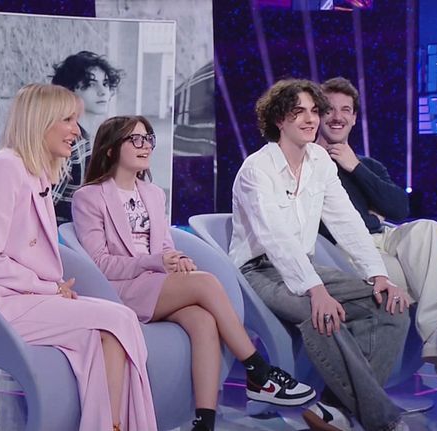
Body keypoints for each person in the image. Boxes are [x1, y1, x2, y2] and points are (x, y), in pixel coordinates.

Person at [71, 115, 315, 431]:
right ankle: (258, 370)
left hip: (155, 283)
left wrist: (177, 259)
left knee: (203, 321)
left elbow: (164, 246)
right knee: (206, 283)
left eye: (148, 139)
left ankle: (204, 423)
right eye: (135, 139)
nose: (145, 146)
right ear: (110, 149)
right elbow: (101, 264)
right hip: (120, 289)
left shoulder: (153, 194)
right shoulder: (89, 197)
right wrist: (155, 261)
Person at [0, 83, 157, 431]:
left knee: (112, 329)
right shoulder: (3, 169)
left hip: (19, 299)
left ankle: (110, 423)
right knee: (117, 318)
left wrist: (51, 287)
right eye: (67, 120)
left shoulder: (35, 173)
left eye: (76, 120)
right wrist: (47, 288)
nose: (76, 131)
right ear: (40, 120)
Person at [230, 78, 411, 431]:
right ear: (279, 119)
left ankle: (335, 410)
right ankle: (383, 421)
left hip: (305, 266)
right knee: (323, 315)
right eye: (298, 112)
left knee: (391, 307)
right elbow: (276, 238)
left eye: (314, 111)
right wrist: (316, 291)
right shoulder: (256, 169)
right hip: (259, 270)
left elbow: (347, 221)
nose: (310, 119)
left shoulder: (319, 161)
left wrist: (378, 275)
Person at [317, 76, 437, 420]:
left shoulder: (365, 165)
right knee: (413, 280)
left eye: (346, 110)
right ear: (317, 115)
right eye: (329, 109)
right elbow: (328, 223)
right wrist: (365, 208)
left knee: (429, 229)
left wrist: (354, 166)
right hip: (347, 250)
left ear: (354, 118)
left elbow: (398, 208)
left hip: (384, 237)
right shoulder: (308, 165)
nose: (337, 117)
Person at [50, 50, 123, 223]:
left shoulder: (86, 137)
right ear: (70, 89)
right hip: (62, 234)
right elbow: (44, 206)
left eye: (105, 83)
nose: (102, 92)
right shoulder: (69, 141)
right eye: (90, 84)